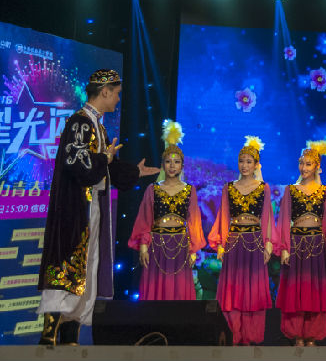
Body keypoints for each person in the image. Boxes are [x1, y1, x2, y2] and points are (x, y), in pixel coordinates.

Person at [38, 69, 158, 346]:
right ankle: (49, 337)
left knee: (88, 269)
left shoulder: (97, 126)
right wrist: (104, 158)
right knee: (69, 264)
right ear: (105, 91)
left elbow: (103, 167)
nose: (118, 99)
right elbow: (77, 163)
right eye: (116, 94)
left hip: (91, 211)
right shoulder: (80, 123)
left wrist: (133, 172)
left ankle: (70, 338)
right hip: (75, 211)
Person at [208, 135, 275, 346]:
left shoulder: (263, 188)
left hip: (255, 243)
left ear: (256, 165)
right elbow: (223, 217)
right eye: (241, 161)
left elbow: (267, 217)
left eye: (249, 162)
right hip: (234, 243)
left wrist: (269, 244)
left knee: (253, 290)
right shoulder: (229, 188)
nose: (244, 165)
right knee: (233, 290)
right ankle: (233, 335)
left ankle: (249, 337)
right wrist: (220, 244)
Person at [128, 120, 205, 300]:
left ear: (182, 166)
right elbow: (145, 221)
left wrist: (193, 250)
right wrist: (144, 247)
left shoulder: (189, 190)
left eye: (176, 162)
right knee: (156, 290)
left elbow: (194, 222)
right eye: (168, 162)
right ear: (163, 165)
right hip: (157, 245)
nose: (172, 165)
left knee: (178, 291)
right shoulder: (152, 189)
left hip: (180, 246)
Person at [275, 139, 326, 346]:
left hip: (317, 246)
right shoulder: (291, 190)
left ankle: (312, 335)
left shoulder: (325, 191)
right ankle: (297, 335)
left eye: (308, 164)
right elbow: (284, 219)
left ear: (317, 166)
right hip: (296, 245)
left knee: (314, 291)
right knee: (296, 290)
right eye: (301, 163)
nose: (304, 168)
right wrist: (284, 248)